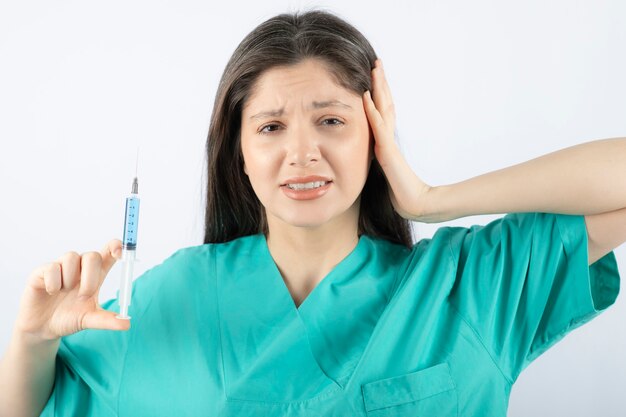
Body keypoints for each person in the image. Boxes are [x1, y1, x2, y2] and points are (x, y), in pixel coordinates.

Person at [0, 8, 622, 417]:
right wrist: (31, 342)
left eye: (331, 120)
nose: (302, 153)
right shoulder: (171, 298)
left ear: (376, 137)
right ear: (238, 153)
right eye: (270, 126)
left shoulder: (472, 285)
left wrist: (431, 199)